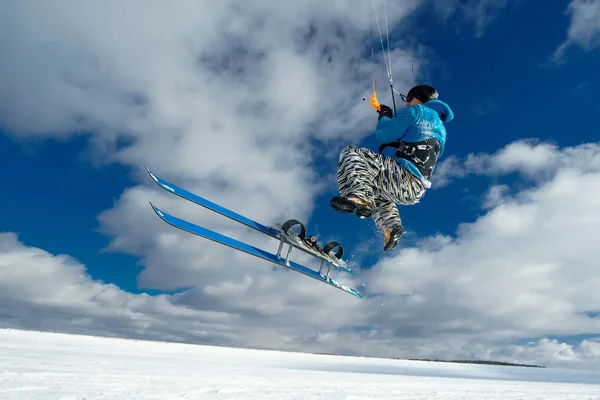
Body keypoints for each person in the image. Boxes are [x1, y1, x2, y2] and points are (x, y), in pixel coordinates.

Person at [330, 84, 454, 251]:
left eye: (409, 99)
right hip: (415, 190)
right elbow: (422, 147)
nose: (407, 103)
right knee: (376, 188)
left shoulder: (417, 110)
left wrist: (384, 115)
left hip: (403, 176)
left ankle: (358, 197)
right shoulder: (442, 130)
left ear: (418, 97)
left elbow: (385, 135)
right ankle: (391, 226)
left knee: (353, 153)